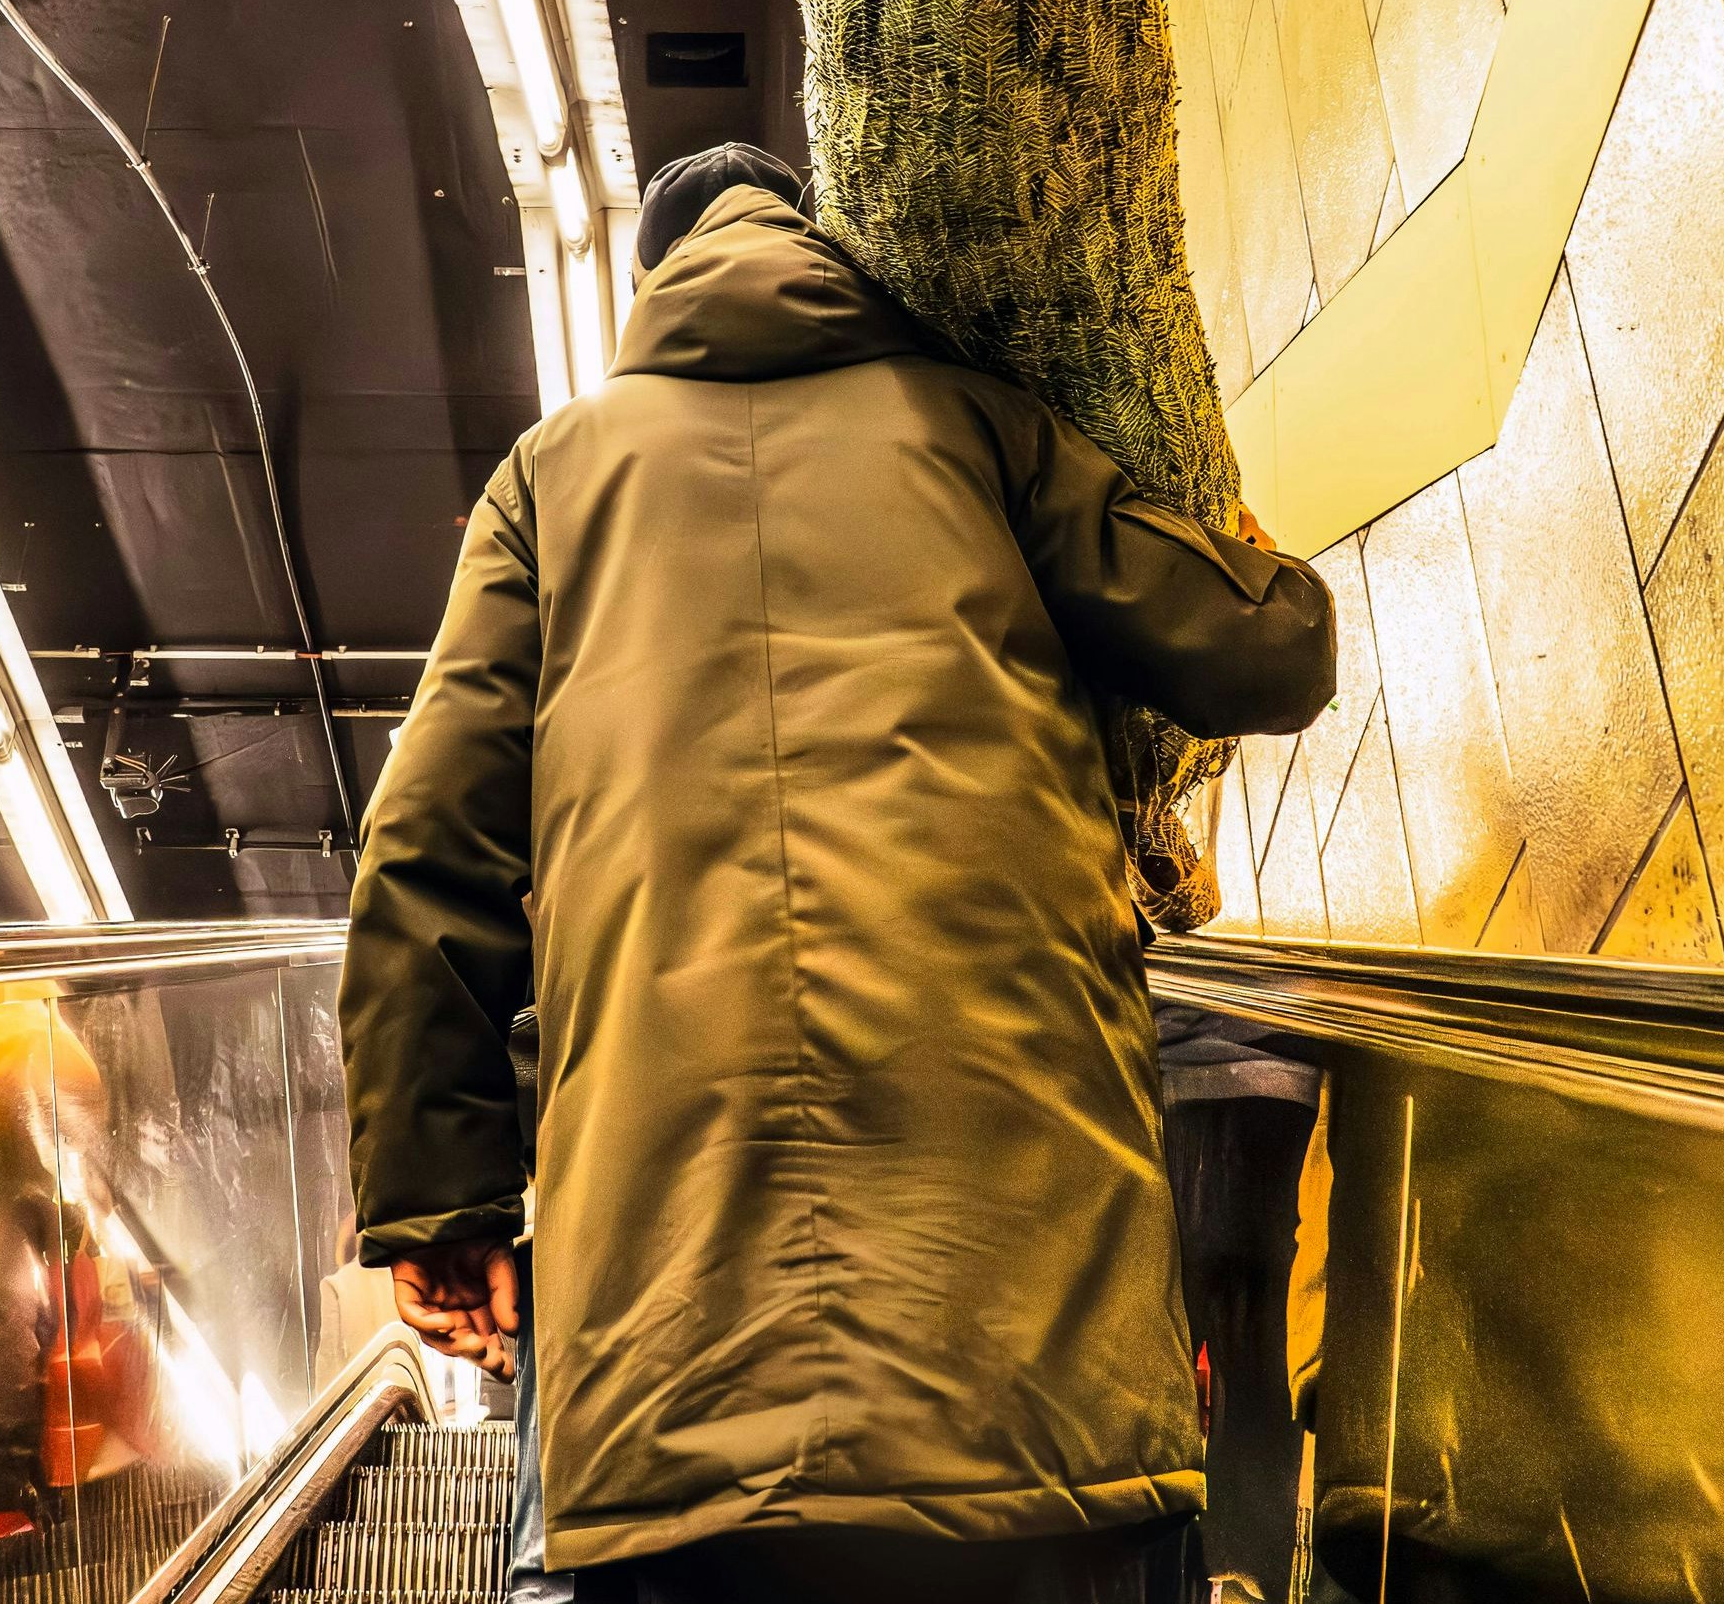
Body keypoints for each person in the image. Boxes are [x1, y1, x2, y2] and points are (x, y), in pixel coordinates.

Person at [343, 143, 1339, 1604]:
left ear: (655, 285)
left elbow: (425, 850)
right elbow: (1271, 648)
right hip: (1028, 1343)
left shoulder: (549, 484)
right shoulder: (982, 427)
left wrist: (444, 1203)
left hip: (674, 1383)